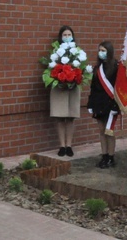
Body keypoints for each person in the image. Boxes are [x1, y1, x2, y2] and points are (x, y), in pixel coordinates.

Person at [87, 41, 120, 169]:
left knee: (109, 131)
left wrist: (116, 106)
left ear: (109, 52)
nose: (101, 53)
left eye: (104, 50)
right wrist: (90, 104)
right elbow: (93, 88)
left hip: (111, 104)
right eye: (100, 50)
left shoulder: (116, 67)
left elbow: (119, 87)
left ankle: (111, 157)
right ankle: (104, 155)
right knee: (101, 131)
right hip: (98, 103)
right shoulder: (97, 69)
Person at [50, 26, 81, 157]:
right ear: (61, 37)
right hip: (60, 87)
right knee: (60, 117)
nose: (67, 37)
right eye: (65, 35)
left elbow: (81, 67)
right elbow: (51, 68)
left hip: (72, 87)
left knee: (70, 118)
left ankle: (69, 145)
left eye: (69, 35)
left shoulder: (77, 52)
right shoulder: (55, 51)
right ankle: (62, 146)